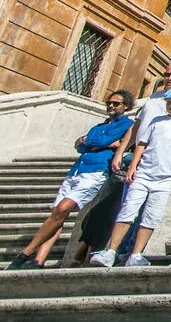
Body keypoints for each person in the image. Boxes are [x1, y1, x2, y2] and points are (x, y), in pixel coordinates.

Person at [8, 90, 135, 270]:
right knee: (57, 215)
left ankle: (24, 255)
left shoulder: (127, 124)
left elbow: (92, 141)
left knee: (62, 208)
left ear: (126, 106)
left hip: (97, 171)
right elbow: (80, 144)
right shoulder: (99, 126)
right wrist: (100, 142)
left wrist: (93, 142)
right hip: (76, 170)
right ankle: (39, 260)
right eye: (109, 103)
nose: (111, 106)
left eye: (116, 103)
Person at [89, 85, 171, 267]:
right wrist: (132, 166)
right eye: (168, 103)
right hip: (144, 173)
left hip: (166, 177)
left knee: (151, 216)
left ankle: (136, 254)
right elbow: (141, 144)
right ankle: (111, 251)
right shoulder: (156, 120)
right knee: (128, 211)